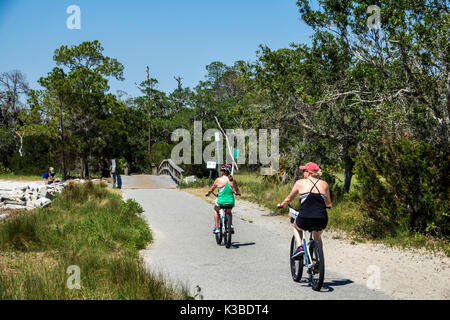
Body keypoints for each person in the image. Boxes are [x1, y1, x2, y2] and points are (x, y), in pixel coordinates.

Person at [277, 162, 332, 258]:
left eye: (303, 171)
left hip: (305, 218)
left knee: (296, 226)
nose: (303, 173)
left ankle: (299, 247)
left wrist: (281, 204)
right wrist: (327, 206)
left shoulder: (300, 183)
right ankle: (319, 259)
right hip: (321, 219)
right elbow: (328, 203)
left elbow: (289, 199)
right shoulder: (325, 184)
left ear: (308, 172)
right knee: (317, 237)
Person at [205, 164, 241, 234]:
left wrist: (208, 193)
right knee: (229, 212)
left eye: (221, 170)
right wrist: (237, 193)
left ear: (223, 172)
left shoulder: (218, 180)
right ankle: (231, 225)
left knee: (216, 210)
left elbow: (211, 189)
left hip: (221, 201)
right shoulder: (233, 180)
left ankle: (216, 228)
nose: (220, 171)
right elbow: (237, 190)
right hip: (230, 201)